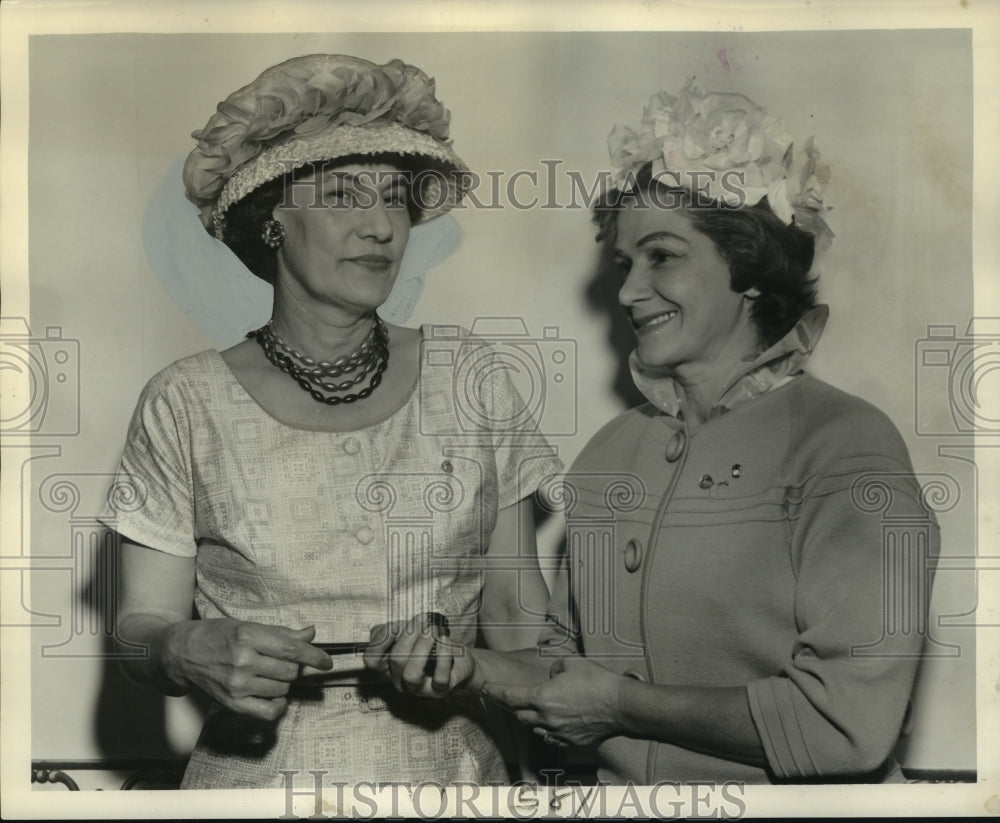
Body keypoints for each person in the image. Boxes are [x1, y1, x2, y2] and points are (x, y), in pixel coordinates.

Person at [366, 80, 939, 784]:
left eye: (662, 256)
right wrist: (456, 664)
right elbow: (565, 665)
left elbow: (844, 726)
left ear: (751, 269)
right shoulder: (613, 453)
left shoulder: (844, 445)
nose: (630, 291)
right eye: (623, 264)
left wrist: (620, 704)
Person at [100, 54, 562, 789]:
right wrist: (186, 646)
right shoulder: (184, 401)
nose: (381, 225)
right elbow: (135, 635)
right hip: (254, 785)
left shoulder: (472, 379)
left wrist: (468, 665)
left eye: (395, 196)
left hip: (455, 781)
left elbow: (522, 626)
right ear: (271, 218)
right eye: (344, 193)